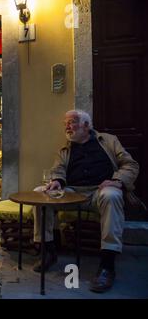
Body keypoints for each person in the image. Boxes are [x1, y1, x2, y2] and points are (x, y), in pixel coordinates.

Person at [33, 109, 139, 293]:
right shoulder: (65, 149)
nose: (67, 126)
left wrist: (117, 181)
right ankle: (48, 249)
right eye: (65, 123)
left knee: (112, 195)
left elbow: (130, 165)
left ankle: (107, 265)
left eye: (72, 121)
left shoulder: (109, 141)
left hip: (100, 191)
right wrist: (57, 181)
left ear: (86, 125)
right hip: (73, 192)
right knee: (40, 193)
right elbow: (57, 170)